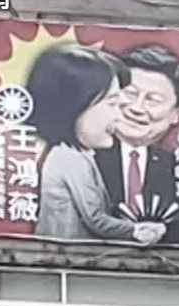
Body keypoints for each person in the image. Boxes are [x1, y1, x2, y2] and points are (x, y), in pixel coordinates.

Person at [26, 45, 166, 245]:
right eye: (112, 104)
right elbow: (95, 219)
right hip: (63, 258)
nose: (118, 116)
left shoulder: (79, 154)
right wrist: (136, 231)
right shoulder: (68, 157)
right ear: (76, 105)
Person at [94, 44, 179, 243]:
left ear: (176, 113)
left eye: (153, 100)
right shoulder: (84, 154)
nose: (136, 108)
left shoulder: (175, 164)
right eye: (130, 93)